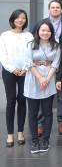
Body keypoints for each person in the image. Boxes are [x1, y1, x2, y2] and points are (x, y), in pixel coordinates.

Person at [32, 0, 62, 136]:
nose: (55, 9)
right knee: (42, 91)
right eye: (52, 7)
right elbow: (34, 40)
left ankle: (61, 122)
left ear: (61, 10)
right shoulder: (40, 23)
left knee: (61, 91)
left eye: (57, 7)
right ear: (49, 10)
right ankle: (40, 123)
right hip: (44, 62)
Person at [24, 20, 61, 154]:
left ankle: (45, 140)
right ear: (38, 31)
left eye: (48, 30)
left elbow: (55, 64)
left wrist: (46, 79)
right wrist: (40, 78)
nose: (45, 33)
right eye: (42, 30)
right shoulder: (30, 45)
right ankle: (34, 141)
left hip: (49, 80)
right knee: (33, 114)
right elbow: (29, 63)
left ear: (51, 32)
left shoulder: (56, 46)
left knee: (48, 113)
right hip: (33, 80)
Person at [0, 9, 32, 147]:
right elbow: (3, 55)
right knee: (11, 100)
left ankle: (20, 132)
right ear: (12, 19)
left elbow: (31, 54)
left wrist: (24, 68)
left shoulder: (29, 35)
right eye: (18, 18)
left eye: (23, 18)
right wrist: (13, 69)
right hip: (9, 72)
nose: (20, 20)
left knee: (22, 99)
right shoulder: (5, 36)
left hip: (25, 72)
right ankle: (10, 134)